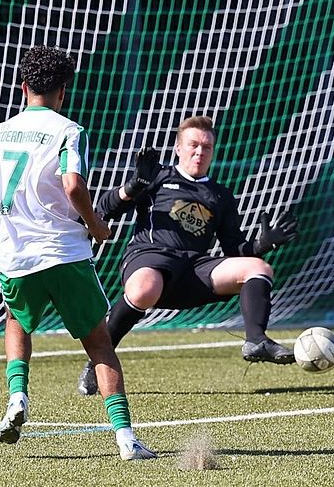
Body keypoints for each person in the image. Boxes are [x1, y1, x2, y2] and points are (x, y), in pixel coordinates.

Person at [0, 45, 156, 460]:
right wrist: (98, 227)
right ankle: (125, 440)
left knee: (16, 323)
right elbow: (73, 185)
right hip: (64, 253)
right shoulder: (67, 130)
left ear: (23, 86)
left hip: (16, 259)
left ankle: (17, 397)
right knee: (99, 344)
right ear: (63, 91)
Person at [76, 114, 299, 396]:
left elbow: (233, 249)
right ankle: (97, 360)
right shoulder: (157, 177)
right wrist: (134, 186)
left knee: (259, 268)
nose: (199, 151)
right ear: (179, 148)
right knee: (146, 288)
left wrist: (262, 245)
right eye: (193, 144)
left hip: (194, 269)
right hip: (149, 257)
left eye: (206, 147)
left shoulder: (220, 195)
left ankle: (256, 341)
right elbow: (106, 208)